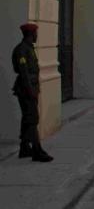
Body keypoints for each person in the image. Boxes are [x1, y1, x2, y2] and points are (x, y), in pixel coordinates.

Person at [12, 23, 53, 162]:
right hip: (26, 89)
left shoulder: (28, 48)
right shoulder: (22, 50)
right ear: (30, 35)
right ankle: (37, 151)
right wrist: (31, 91)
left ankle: (24, 147)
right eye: (35, 34)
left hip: (30, 88)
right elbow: (23, 73)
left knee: (27, 118)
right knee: (33, 118)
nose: (37, 36)